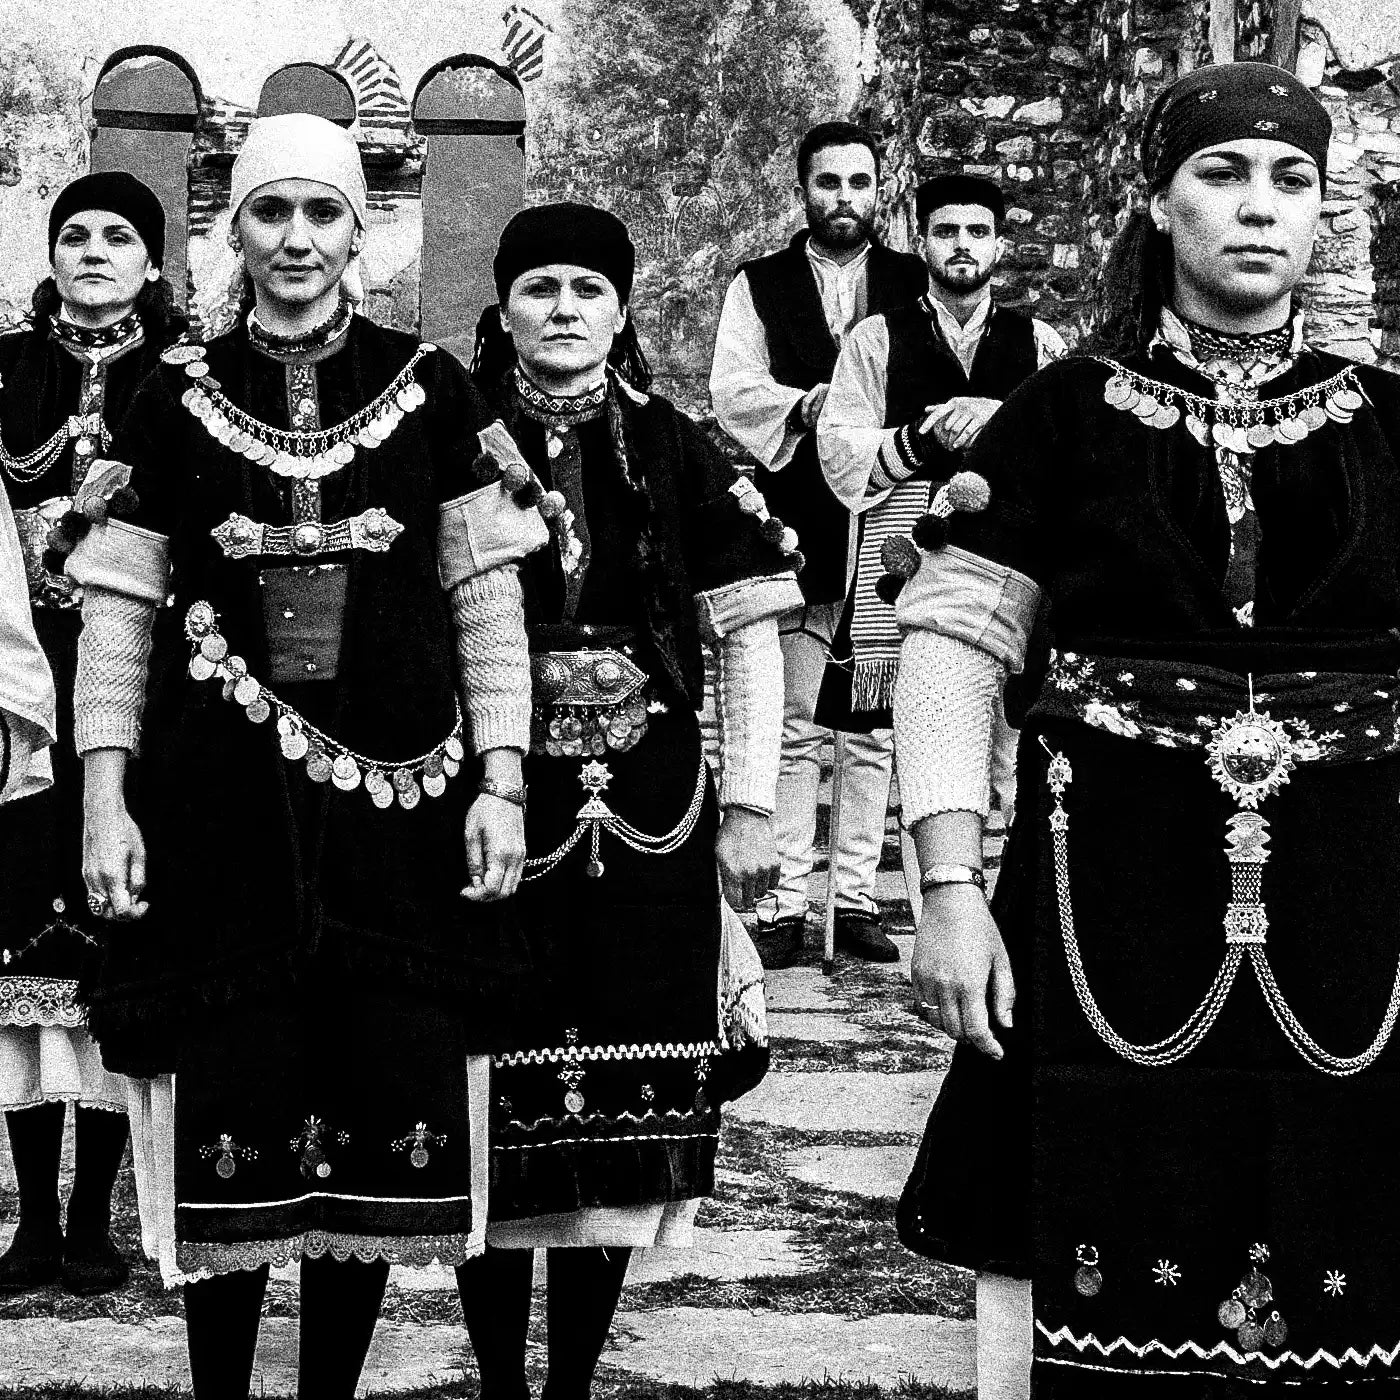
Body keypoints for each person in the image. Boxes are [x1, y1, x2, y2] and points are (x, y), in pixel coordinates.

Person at [890, 62, 1400, 1396]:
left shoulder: (1391, 424)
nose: (1258, 209)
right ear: (1157, 204)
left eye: (1291, 181)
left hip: (1353, 918)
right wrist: (946, 892)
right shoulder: (1063, 417)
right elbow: (950, 647)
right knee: (1079, 1221)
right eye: (1222, 175)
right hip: (1101, 898)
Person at [66, 114, 541, 1399]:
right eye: (270, 212)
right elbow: (116, 611)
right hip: (218, 810)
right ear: (235, 228)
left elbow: (484, 597)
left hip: (402, 813)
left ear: (360, 231)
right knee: (233, 1101)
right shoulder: (172, 396)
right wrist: (105, 799)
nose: (296, 239)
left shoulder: (436, 385)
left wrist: (504, 776)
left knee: (376, 1113)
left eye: (321, 213)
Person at [456, 202, 797, 1400]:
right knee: (486, 1093)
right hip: (492, 806)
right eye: (539, 286)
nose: (563, 308)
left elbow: (751, 629)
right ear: (502, 309)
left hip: (651, 811)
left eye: (586, 289)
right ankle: (501, 1381)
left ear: (618, 308)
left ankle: (568, 1387)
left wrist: (749, 806)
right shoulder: (450, 436)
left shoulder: (678, 446)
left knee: (614, 1104)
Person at [0, 172, 183, 1296]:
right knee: (18, 941)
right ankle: (28, 1220)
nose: (95, 251)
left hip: (137, 692)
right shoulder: (1, 370)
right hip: (17, 686)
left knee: (121, 938)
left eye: (120, 236)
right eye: (75, 235)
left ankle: (95, 1217)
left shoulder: (183, 383)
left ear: (154, 264)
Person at [710, 122, 927, 967]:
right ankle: (788, 905)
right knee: (798, 721)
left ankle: (857, 897)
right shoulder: (758, 285)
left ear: (881, 189)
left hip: (891, 520)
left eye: (860, 182)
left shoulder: (914, 284)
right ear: (802, 189)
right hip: (799, 510)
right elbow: (735, 386)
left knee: (872, 724)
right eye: (828, 182)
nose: (845, 198)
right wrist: (814, 408)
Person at [818, 173, 1065, 824]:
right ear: (919, 241)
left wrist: (997, 419)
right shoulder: (875, 339)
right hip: (907, 557)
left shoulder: (1041, 345)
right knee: (899, 745)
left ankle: (1011, 903)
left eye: (978, 232)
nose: (962, 245)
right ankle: (889, 908)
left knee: (1012, 734)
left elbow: (1069, 460)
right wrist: (920, 438)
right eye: (947, 231)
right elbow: (839, 451)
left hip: (1008, 559)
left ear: (1000, 248)